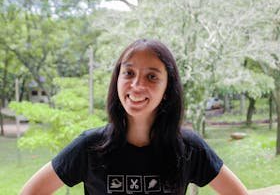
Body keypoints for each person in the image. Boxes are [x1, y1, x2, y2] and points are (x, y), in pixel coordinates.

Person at [20, 39, 248, 195]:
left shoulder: (189, 148)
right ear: (117, 79)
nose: (137, 86)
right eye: (128, 73)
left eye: (151, 76)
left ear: (168, 87)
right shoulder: (90, 146)